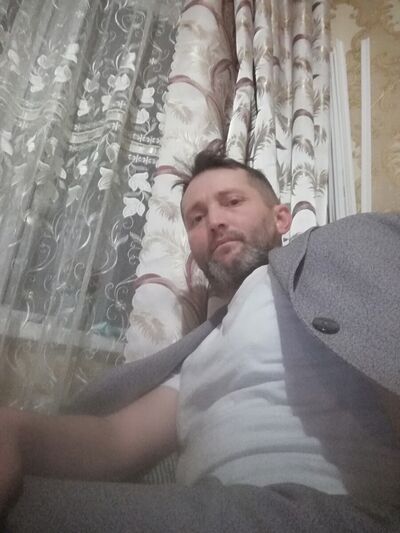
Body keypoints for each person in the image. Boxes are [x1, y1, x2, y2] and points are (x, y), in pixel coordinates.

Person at [1, 151, 400, 532]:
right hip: (208, 509)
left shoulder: (334, 271)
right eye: (196, 217)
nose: (214, 222)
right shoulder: (199, 351)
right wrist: (15, 429)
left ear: (281, 217)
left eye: (232, 202)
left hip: (329, 512)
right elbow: (113, 442)